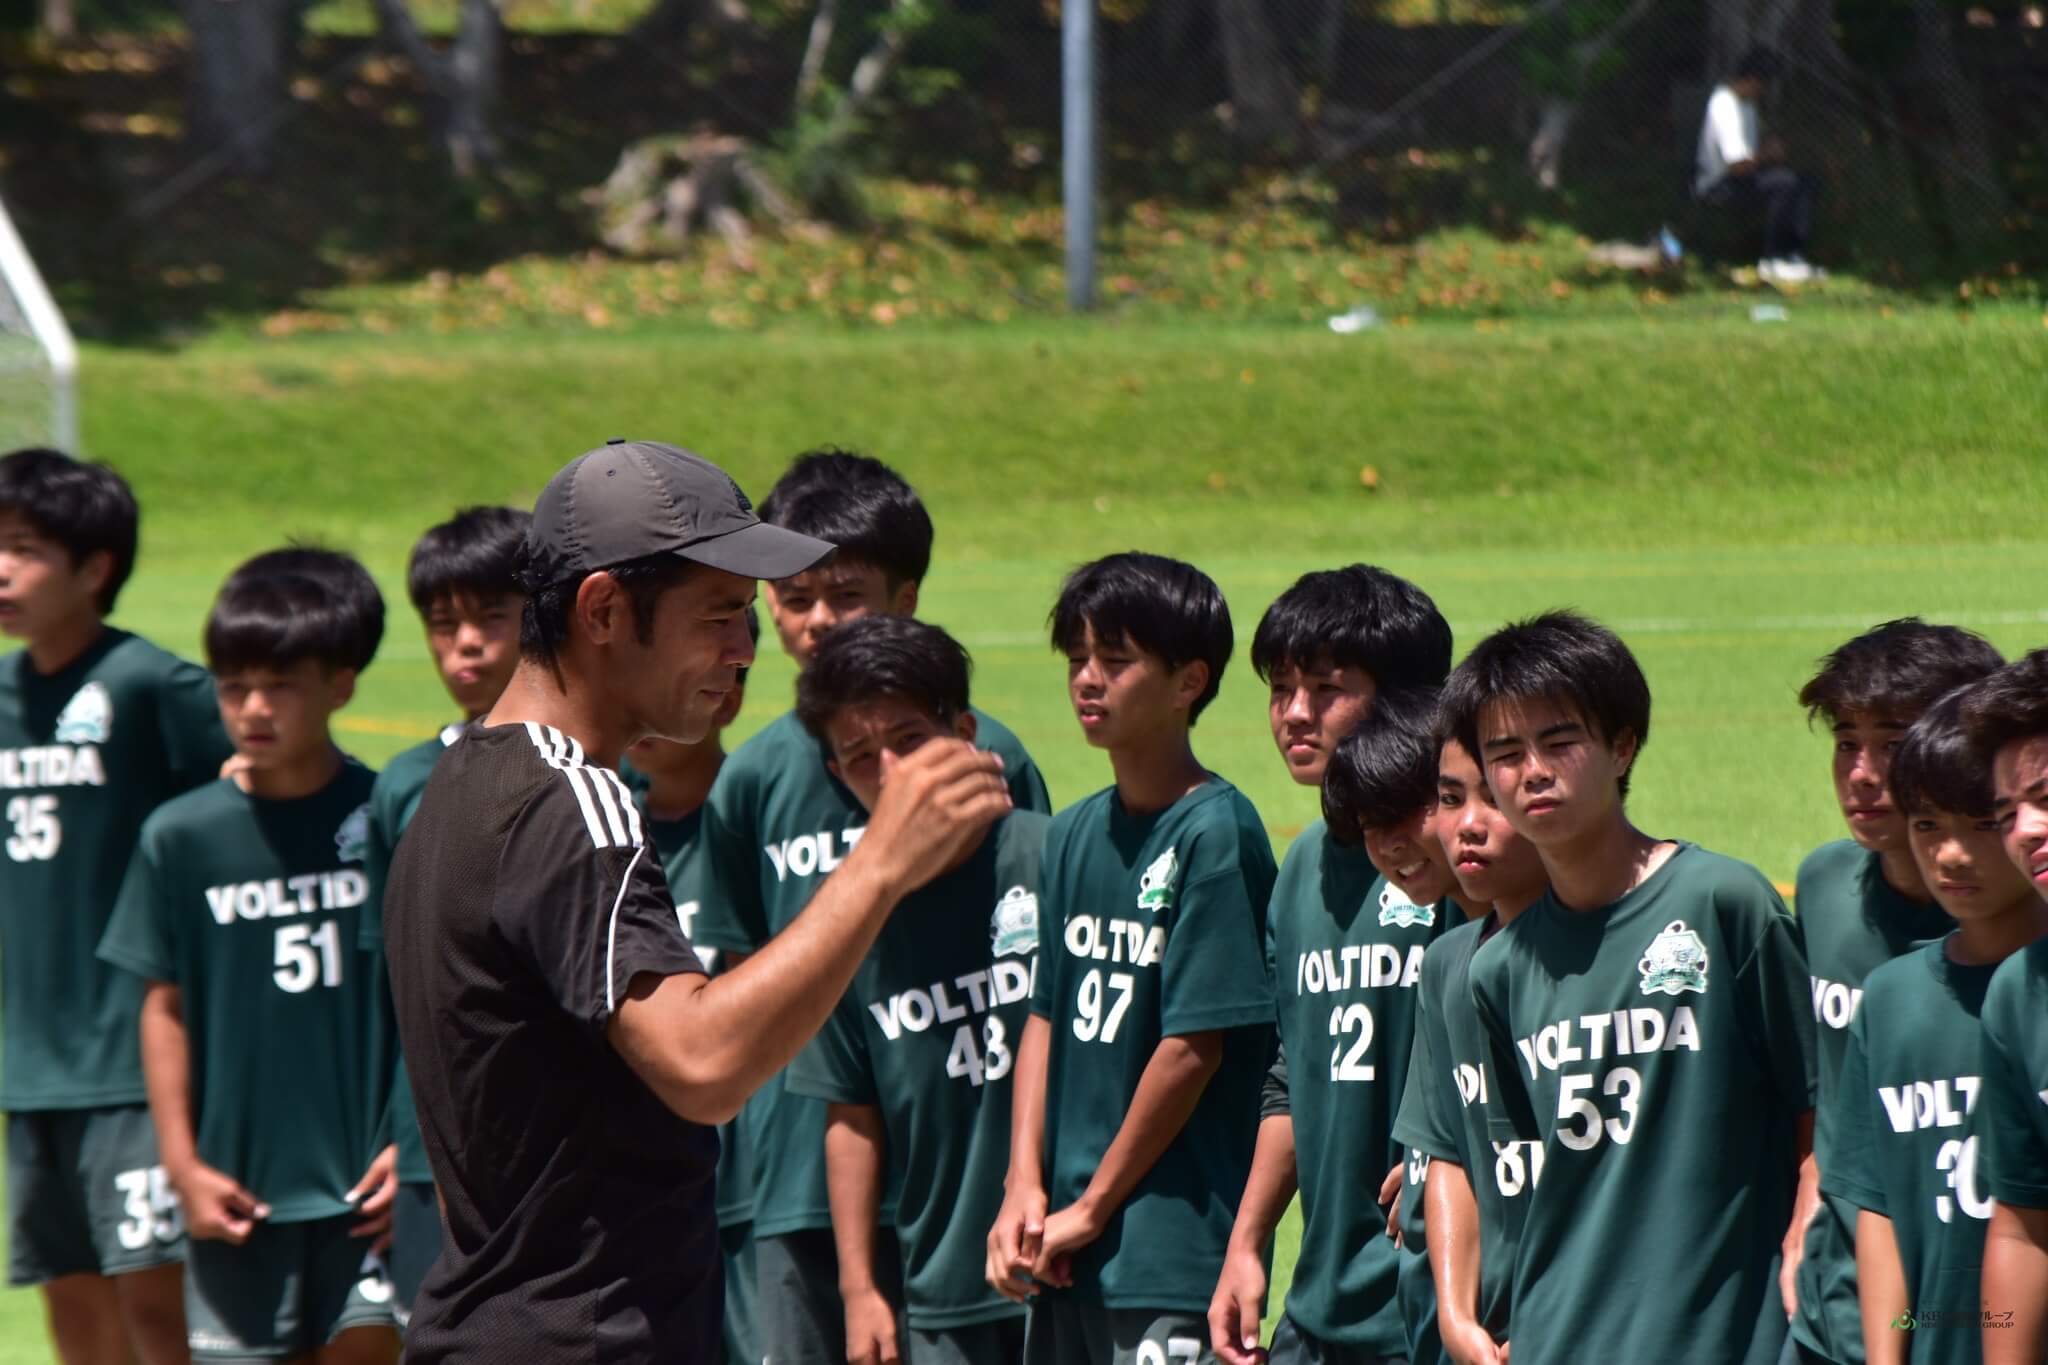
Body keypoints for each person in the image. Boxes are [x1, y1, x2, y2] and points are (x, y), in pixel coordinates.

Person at [380, 439, 1014, 1364]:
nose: (744, 649)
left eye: (749, 616)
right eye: (718, 616)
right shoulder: (570, 798)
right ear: (603, 609)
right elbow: (702, 1062)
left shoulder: (456, 787)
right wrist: (880, 861)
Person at [691, 448, 1051, 1365]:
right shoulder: (752, 779)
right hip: (803, 1166)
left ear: (907, 597)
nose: (819, 620)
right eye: (795, 597)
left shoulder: (989, 757)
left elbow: (1032, 947)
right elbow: (742, 972)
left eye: (846, 595)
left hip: (967, 1151)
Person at [1445, 610, 1817, 1365]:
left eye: (1559, 742)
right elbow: (1526, 1180)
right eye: (1505, 754)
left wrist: (1804, 1239)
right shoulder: (1496, 970)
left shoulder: (1723, 903)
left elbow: (1815, 1103)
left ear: (1622, 745)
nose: (1533, 771)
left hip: (1720, 1337)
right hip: (1559, 1336)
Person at [98, 552, 400, 1364]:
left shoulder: (389, 816)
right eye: (234, 687)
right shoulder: (180, 836)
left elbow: (434, 997)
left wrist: (413, 1144)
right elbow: (163, 1007)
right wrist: (181, 1164)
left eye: (280, 685)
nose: (254, 708)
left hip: (369, 1189)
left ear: (340, 685)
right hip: (236, 1193)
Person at [987, 551, 1275, 1365]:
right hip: (1065, 1244)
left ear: (1189, 681)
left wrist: (1094, 1207)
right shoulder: (1074, 832)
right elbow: (1043, 1014)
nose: (1087, 678)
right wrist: (1023, 1184)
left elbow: (1192, 1048)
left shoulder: (1216, 833)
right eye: (1077, 658)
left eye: (1115, 660)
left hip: (1166, 1245)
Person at [0, 447, 234, 1365]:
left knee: (156, 1307)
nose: (1, 570)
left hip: (134, 1062)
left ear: (95, 567)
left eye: (24, 550)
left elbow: (252, 795)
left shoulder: (151, 685)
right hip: (32, 1068)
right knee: (74, 1307)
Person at [1207, 563, 1456, 1365]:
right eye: (1281, 689)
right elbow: (1294, 1071)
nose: (1294, 713)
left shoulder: (1458, 859)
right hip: (1318, 1305)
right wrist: (1247, 1242)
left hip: (1432, 1304)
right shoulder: (1301, 869)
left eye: (1326, 689)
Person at [787, 616, 1050, 1365]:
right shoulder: (843, 919)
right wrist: (859, 1288)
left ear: (963, 732)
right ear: (837, 774)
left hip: (1070, 1262)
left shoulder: (1052, 858)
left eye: (909, 739)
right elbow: (851, 1112)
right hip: (941, 1281)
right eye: (861, 757)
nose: (893, 772)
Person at [1788, 620, 2004, 1365]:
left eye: (1894, 742)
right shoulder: (1823, 886)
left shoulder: (2012, 929)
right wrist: (1807, 1201)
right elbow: (1825, 1089)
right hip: (1833, 1305)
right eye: (1846, 742)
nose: (1862, 771)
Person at [1824, 685, 2047, 1365]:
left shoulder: (2024, 989)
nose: (1950, 854)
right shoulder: (1894, 998)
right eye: (1926, 826)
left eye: (1980, 823)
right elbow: (1879, 1207)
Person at [355, 505, 529, 1328]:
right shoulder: (402, 785)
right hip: (430, 1149)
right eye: (441, 622)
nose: (465, 644)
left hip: (559, 1146)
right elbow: (388, 984)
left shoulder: (599, 769)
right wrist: (388, 1135)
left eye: (491, 615)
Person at [623, 607, 760, 1365]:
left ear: (727, 696)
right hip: (642, 1204)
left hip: (759, 1195)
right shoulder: (598, 835)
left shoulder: (764, 825)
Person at [1390, 732, 1548, 1365]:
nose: (1468, 827)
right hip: (1490, 1330)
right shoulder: (1445, 964)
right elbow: (1446, 1152)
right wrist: (1458, 1319)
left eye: (1494, 799)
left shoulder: (1623, 948)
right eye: (1450, 799)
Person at [1959, 653, 2048, 1365]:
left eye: (2045, 795)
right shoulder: (2018, 994)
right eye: (2006, 814)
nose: (2026, 829)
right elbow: (2021, 1226)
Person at [1694, 46, 1820, 283]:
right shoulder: (1724, 106)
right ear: (1752, 80)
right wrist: (1766, 155)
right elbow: (1737, 166)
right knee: (1784, 184)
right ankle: (1773, 260)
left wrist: (1769, 149)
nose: (1764, 92)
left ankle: (1793, 254)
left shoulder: (1747, 104)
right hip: (1719, 184)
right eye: (1764, 85)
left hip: (1742, 176)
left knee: (1805, 181)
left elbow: (1751, 150)